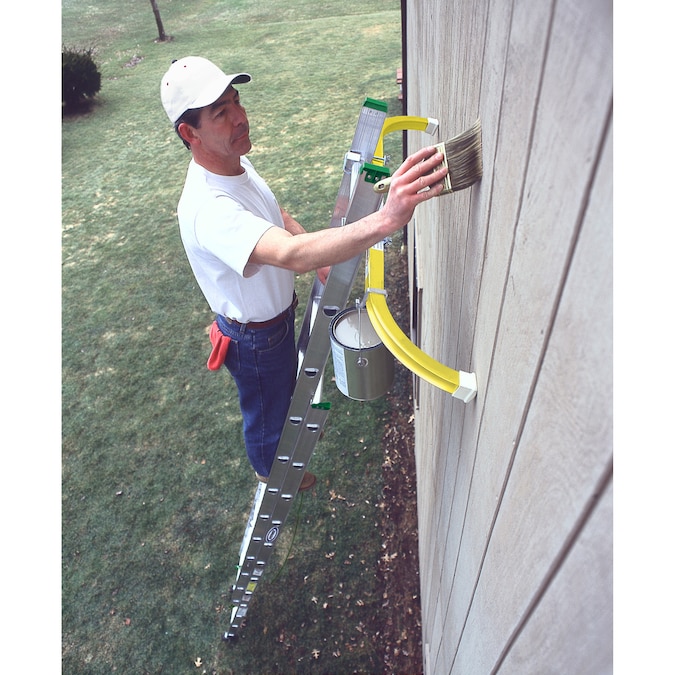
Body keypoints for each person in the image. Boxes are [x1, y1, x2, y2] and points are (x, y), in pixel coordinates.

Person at [160, 56, 447, 491]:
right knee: (266, 413)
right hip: (254, 339)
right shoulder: (208, 209)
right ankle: (269, 470)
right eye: (220, 113)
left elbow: (275, 216)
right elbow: (291, 255)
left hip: (273, 320)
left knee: (282, 391)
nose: (240, 117)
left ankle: (282, 442)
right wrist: (387, 219)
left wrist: (317, 253)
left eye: (236, 101)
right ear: (189, 133)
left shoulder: (233, 162)